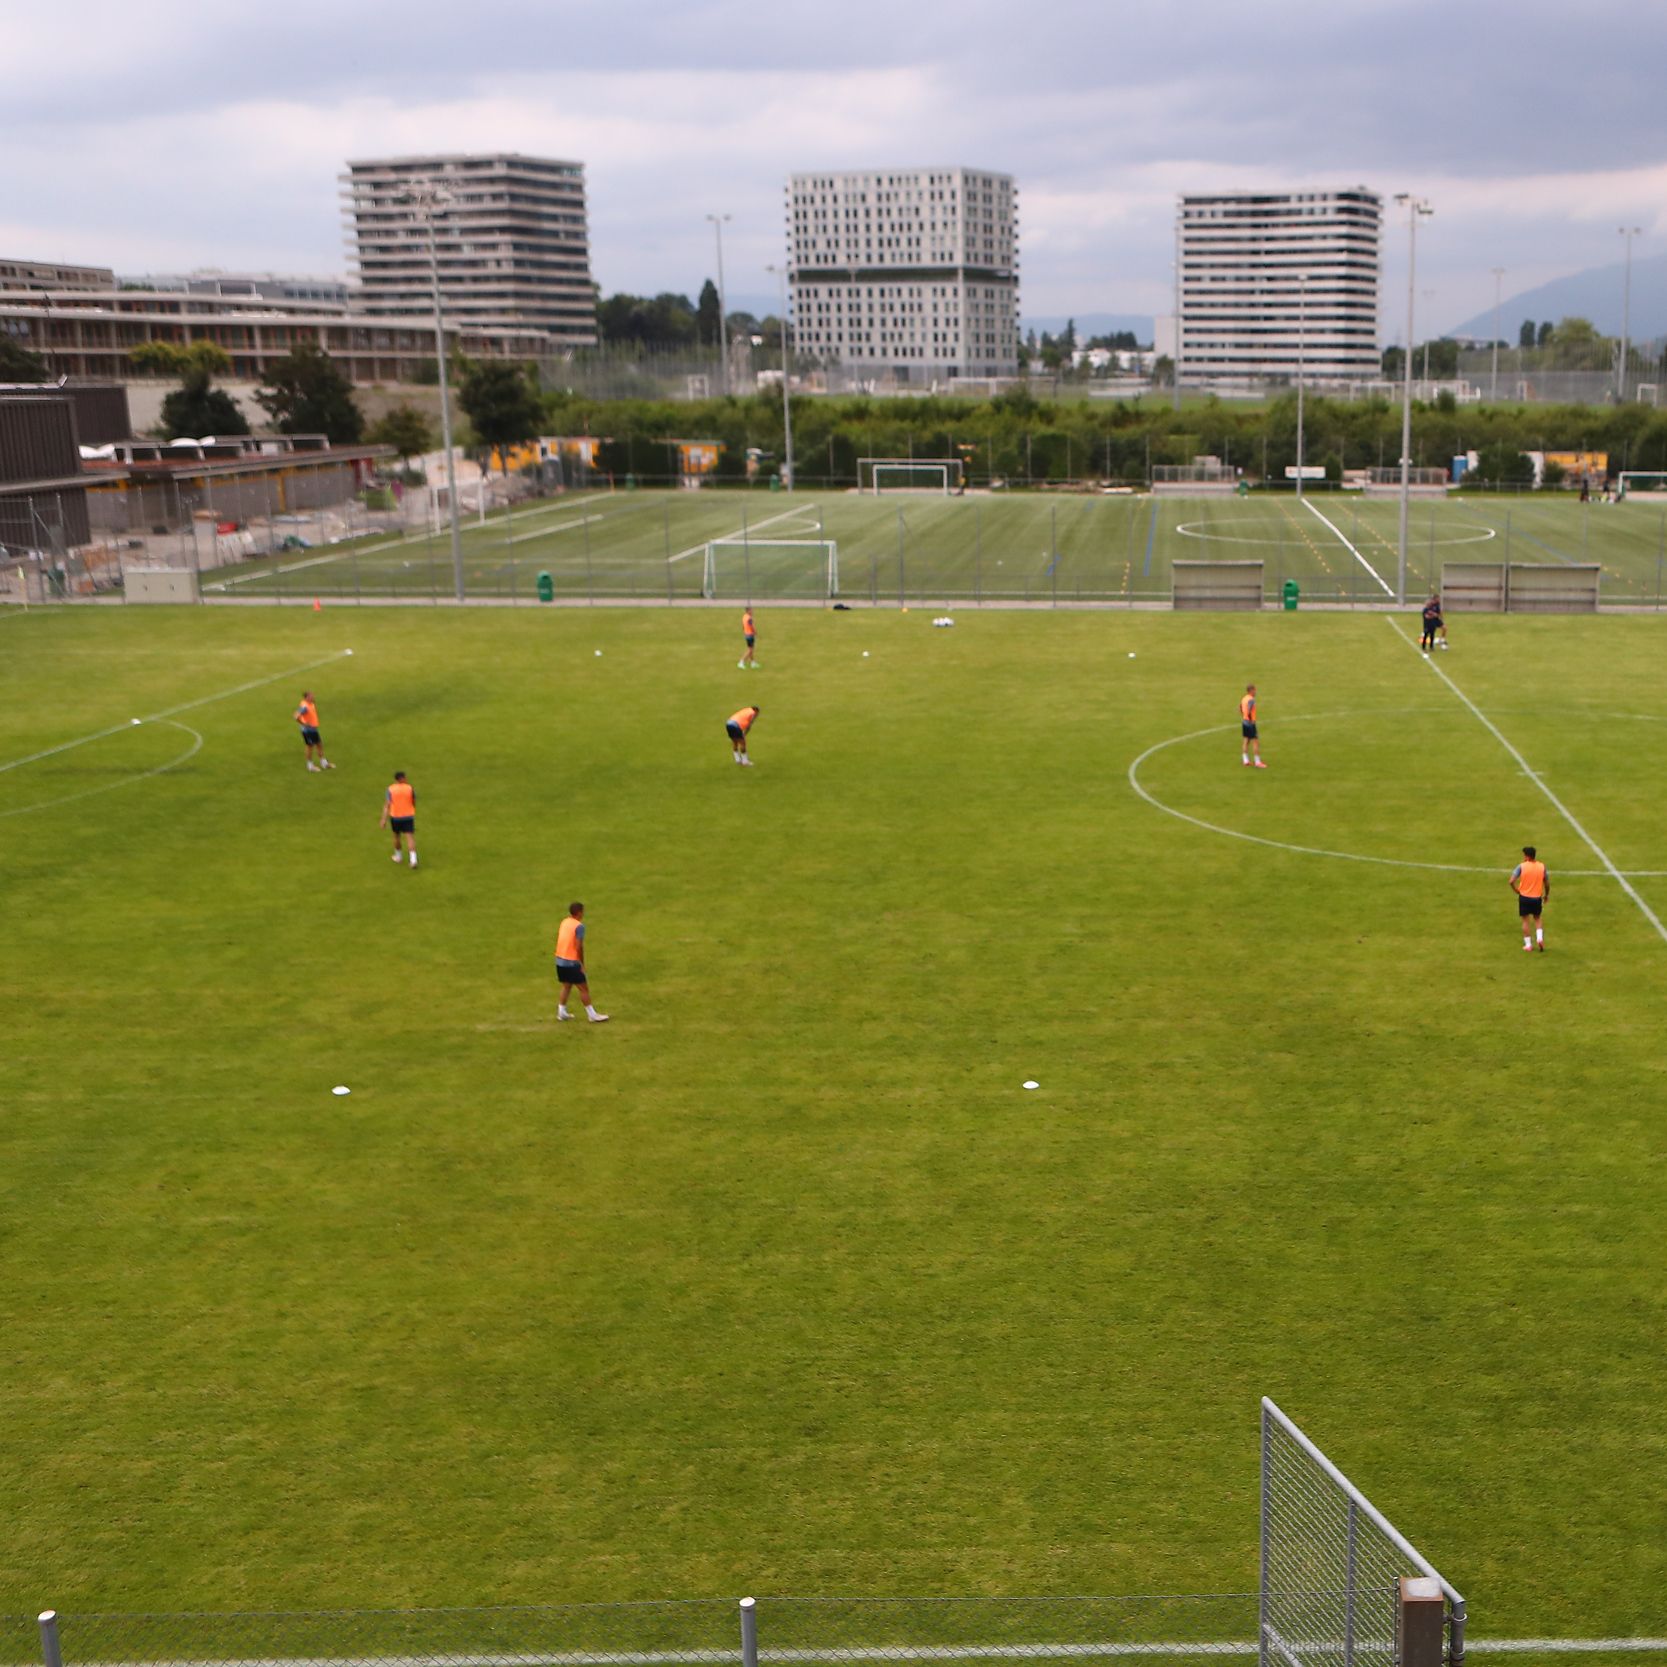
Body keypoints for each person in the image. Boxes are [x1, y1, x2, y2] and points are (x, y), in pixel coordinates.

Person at [555, 902, 609, 1023]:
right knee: (583, 989)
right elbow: (579, 947)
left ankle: (561, 1012)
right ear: (579, 912)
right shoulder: (579, 926)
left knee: (567, 985)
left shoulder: (565, 922)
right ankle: (592, 1015)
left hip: (559, 959)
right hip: (571, 962)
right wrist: (581, 964)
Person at [1510, 846, 1549, 952]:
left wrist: (1516, 890)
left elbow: (1511, 881)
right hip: (1537, 898)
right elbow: (1546, 883)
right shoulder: (1542, 866)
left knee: (1525, 921)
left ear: (1526, 856)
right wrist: (1547, 895)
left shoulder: (1522, 866)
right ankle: (1540, 938)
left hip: (1524, 897)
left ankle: (1528, 945)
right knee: (1537, 918)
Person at [380, 771, 418, 867]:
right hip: (408, 816)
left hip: (396, 817)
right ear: (402, 778)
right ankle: (413, 860)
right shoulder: (409, 788)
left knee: (397, 836)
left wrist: (383, 819)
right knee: (409, 837)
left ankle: (398, 857)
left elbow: (387, 805)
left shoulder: (391, 789)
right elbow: (413, 801)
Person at [295, 691, 333, 772]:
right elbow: (296, 716)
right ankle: (310, 766)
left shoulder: (311, 704)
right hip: (307, 730)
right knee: (310, 747)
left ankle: (324, 763)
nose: (313, 697)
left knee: (319, 744)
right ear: (307, 697)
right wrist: (303, 723)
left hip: (313, 729)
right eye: (311, 696)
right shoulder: (304, 706)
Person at [1240, 685, 1266, 768]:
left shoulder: (1244, 698)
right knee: (1255, 742)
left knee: (1246, 741)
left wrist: (1244, 716)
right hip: (1250, 723)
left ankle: (1245, 760)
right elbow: (1249, 709)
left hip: (1244, 721)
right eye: (1254, 690)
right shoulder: (1251, 699)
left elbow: (1240, 707)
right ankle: (1258, 762)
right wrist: (1251, 719)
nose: (1255, 692)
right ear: (1251, 690)